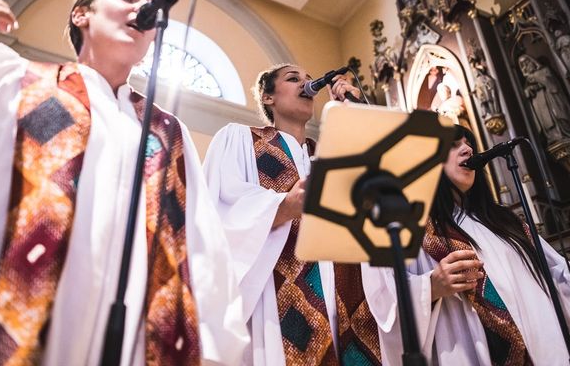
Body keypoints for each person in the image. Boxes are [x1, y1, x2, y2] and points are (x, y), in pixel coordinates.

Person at [0, 0, 248, 365]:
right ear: (81, 15)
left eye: (148, 2)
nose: (142, 7)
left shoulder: (168, 131)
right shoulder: (17, 80)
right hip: (3, 316)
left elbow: (201, 249)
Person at [203, 64, 382, 365]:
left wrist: (353, 111)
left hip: (345, 301)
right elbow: (218, 210)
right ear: (268, 97)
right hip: (274, 304)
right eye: (293, 78)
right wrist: (283, 206)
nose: (306, 84)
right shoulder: (240, 140)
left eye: (311, 80)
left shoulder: (331, 157)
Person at [410, 125, 570, 364]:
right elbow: (389, 300)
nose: (467, 149)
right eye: (454, 145)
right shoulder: (423, 234)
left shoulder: (506, 221)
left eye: (468, 143)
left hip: (550, 350)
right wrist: (430, 288)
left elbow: (559, 275)